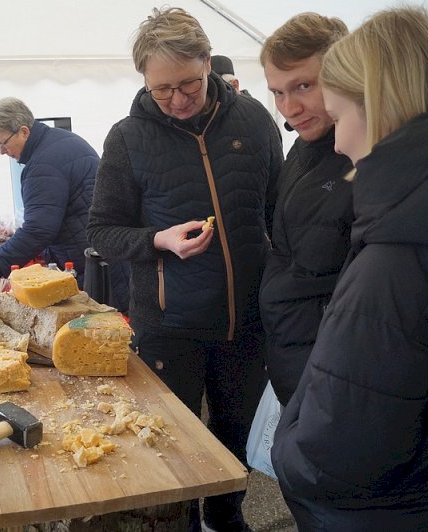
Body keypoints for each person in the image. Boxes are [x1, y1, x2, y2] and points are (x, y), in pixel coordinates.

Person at [271, 8, 428, 530]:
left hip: (390, 511)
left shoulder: (399, 259)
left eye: (340, 119)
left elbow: (339, 454)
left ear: (378, 107)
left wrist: (286, 447)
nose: (337, 143)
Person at [87, 7, 282, 531]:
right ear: (145, 82)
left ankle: (225, 515)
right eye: (162, 89)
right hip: (169, 326)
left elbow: (279, 212)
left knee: (234, 432)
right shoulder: (127, 137)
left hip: (246, 320)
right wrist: (157, 240)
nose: (177, 99)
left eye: (189, 84)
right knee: (170, 439)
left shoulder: (255, 120)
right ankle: (182, 523)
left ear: (208, 63)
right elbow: (100, 230)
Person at [257, 13, 353, 406]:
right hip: (291, 348)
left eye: (303, 86)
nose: (289, 108)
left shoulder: (363, 155)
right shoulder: (303, 145)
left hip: (332, 365)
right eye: (278, 92)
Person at [0, 97, 98, 285]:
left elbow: (38, 230)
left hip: (84, 264)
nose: (2, 151)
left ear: (24, 132)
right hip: (98, 254)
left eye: (3, 143)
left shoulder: (43, 165)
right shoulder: (62, 139)